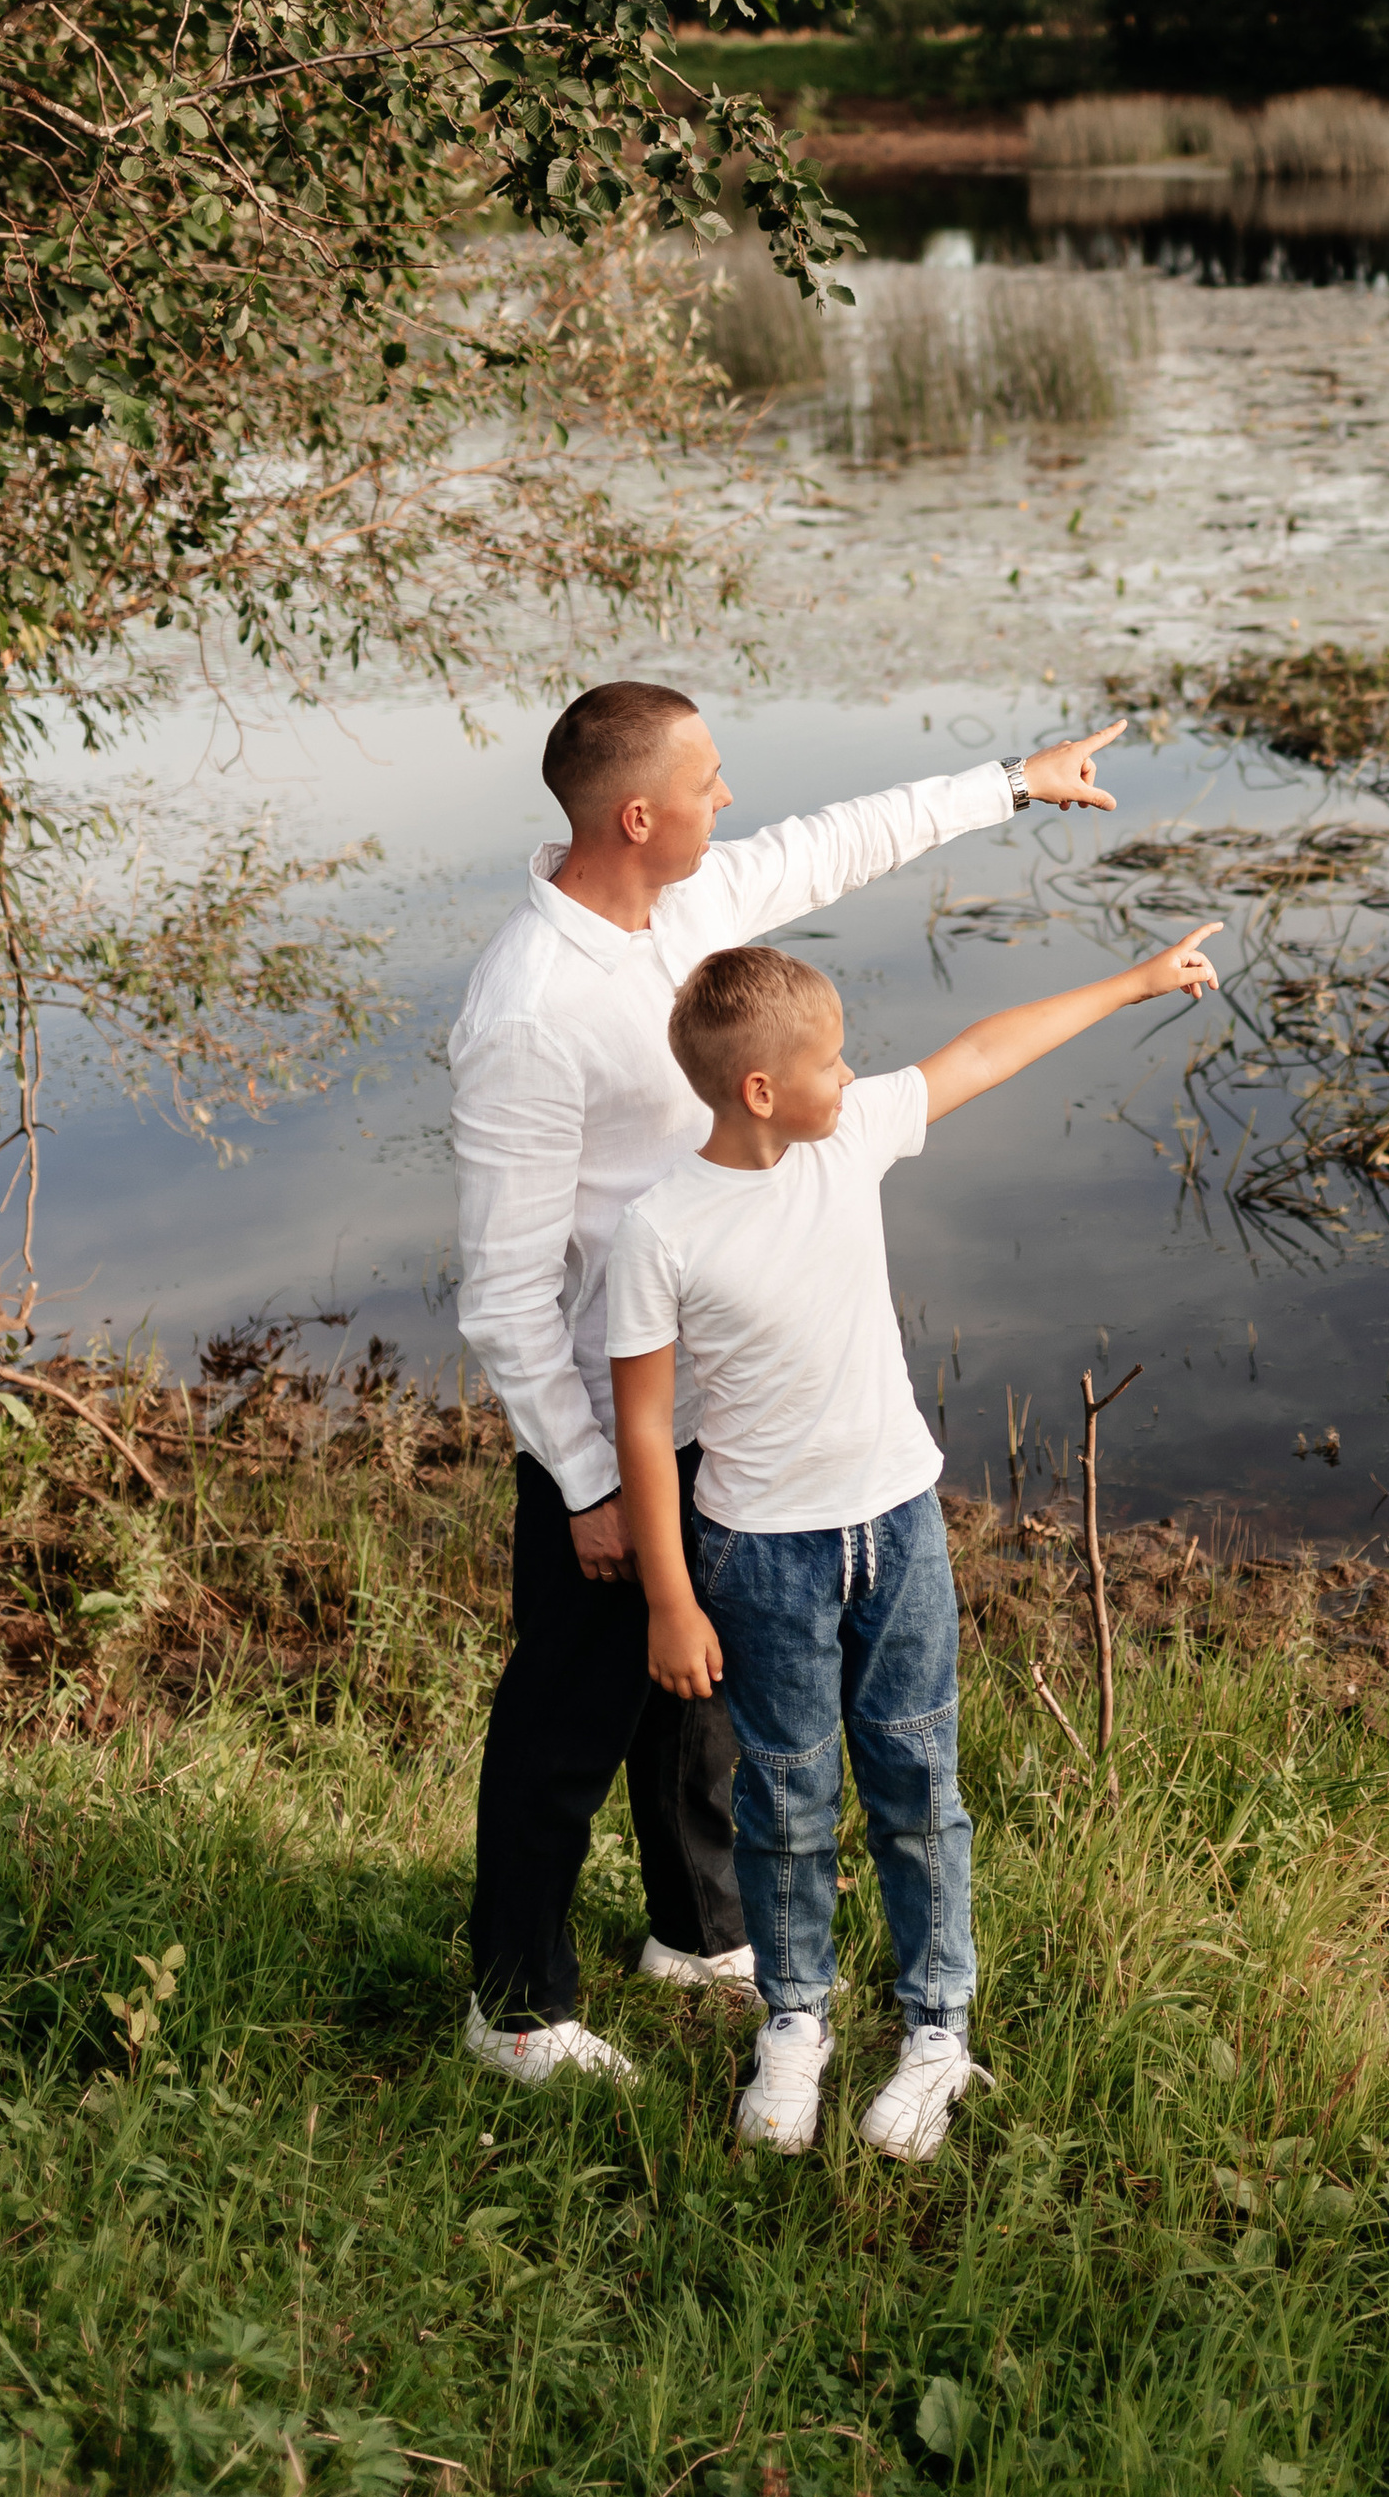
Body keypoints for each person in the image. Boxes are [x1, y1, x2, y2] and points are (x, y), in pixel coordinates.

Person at [450, 677, 1127, 2084]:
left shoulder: (688, 909)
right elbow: (507, 1297)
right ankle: (516, 2005)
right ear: (638, 815)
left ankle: (696, 1933)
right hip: (607, 1425)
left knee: (704, 1699)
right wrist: (583, 1487)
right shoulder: (527, 1008)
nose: (730, 799)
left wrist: (1010, 781)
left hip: (731, 1403)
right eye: (708, 782)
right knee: (567, 1720)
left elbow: (834, 843)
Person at [606, 918, 1223, 2162]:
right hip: (755, 1555)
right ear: (764, 1089)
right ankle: (796, 2023)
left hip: (897, 1527)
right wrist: (670, 1600)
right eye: (833, 1062)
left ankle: (937, 2032)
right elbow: (643, 1421)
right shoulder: (660, 1225)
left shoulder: (845, 1144)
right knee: (784, 1796)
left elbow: (986, 1051)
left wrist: (1140, 980)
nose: (857, 1075)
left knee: (917, 1788)